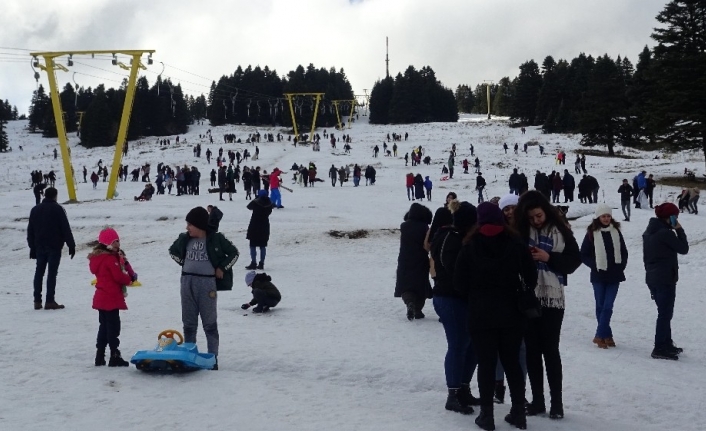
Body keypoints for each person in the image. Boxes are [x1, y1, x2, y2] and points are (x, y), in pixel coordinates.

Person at [454, 203, 537, 431]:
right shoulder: (516, 243)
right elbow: (531, 277)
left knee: (487, 364)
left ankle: (487, 416)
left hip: (481, 315)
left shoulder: (469, 246)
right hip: (512, 314)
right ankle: (519, 412)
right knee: (512, 363)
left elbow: (459, 284)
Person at [515, 190, 581, 420]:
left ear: (546, 211)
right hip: (529, 297)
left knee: (550, 350)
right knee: (532, 350)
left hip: (553, 297)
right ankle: (538, 401)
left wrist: (548, 257)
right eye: (531, 217)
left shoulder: (560, 229)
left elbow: (574, 260)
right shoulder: (521, 232)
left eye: (539, 215)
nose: (536, 220)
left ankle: (557, 403)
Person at [169, 207, 240, 369]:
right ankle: (189, 355)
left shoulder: (216, 239)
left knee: (209, 323)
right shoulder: (184, 239)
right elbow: (172, 251)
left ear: (199, 225)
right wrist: (184, 263)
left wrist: (221, 267)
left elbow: (234, 253)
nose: (187, 228)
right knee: (189, 323)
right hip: (187, 283)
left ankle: (212, 357)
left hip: (207, 285)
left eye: (190, 224)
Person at [431, 200, 479, 415]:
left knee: (470, 346)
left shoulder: (454, 237)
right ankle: (453, 393)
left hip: (459, 298)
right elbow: (456, 274)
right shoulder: (451, 240)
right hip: (450, 298)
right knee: (459, 345)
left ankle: (463, 388)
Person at [643, 203, 689, 360]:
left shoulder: (649, 232)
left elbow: (646, 258)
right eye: (675, 216)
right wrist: (680, 230)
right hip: (665, 278)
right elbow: (683, 249)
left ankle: (666, 342)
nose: (677, 218)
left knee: (664, 313)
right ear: (670, 217)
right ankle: (659, 347)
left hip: (653, 278)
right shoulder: (665, 233)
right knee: (664, 314)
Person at [580, 204, 628, 349]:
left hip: (614, 275)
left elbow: (624, 252)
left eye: (608, 216)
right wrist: (595, 265)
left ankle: (599, 335)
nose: (606, 219)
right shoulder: (591, 233)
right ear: (598, 217)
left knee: (608, 306)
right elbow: (583, 254)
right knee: (600, 306)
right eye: (603, 216)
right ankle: (607, 336)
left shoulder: (616, 232)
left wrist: (621, 266)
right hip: (598, 275)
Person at [88, 228, 135, 367]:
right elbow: (119, 276)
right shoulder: (109, 259)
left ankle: (100, 355)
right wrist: (129, 279)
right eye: (115, 242)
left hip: (101, 298)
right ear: (107, 243)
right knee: (113, 328)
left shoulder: (98, 258)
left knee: (104, 327)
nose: (118, 245)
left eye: (118, 241)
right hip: (110, 299)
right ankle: (114, 355)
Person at [27, 187, 76, 310]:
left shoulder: (35, 209)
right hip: (54, 246)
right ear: (55, 196)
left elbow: (30, 230)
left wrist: (32, 247)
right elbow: (65, 228)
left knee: (39, 272)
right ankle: (50, 301)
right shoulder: (58, 209)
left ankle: (37, 301)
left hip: (39, 246)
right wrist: (71, 245)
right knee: (51, 273)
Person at [395, 202, 433, 320]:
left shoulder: (404, 226)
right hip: (420, 258)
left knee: (406, 286)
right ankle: (418, 310)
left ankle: (409, 302)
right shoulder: (424, 227)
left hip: (404, 259)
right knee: (420, 285)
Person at [245, 190, 273, 270]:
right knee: (263, 246)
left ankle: (253, 262)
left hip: (255, 225)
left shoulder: (255, 203)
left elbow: (248, 206)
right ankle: (262, 263)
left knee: (252, 245)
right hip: (264, 225)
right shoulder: (269, 203)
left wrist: (255, 199)